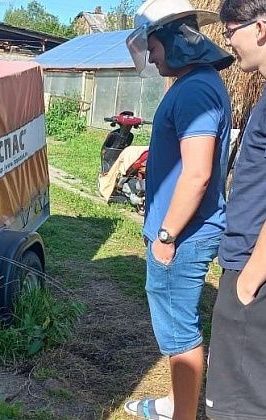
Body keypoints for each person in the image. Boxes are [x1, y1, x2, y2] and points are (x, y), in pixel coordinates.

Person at [123, 0, 233, 418]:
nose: (150, 57)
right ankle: (176, 402)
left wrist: (166, 236)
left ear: (173, 39)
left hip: (183, 236)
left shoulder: (197, 90)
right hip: (183, 231)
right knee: (176, 323)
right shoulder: (194, 84)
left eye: (152, 47)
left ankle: (183, 414)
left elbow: (198, 173)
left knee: (178, 329)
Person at [205, 1, 266, 418]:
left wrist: (248, 281)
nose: (228, 40)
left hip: (253, 272)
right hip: (249, 265)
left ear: (260, 28)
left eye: (232, 29)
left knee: (236, 406)